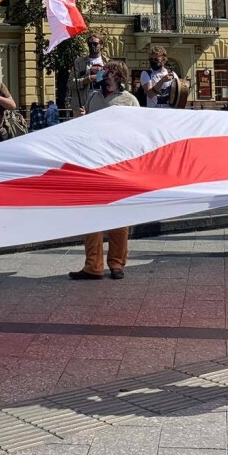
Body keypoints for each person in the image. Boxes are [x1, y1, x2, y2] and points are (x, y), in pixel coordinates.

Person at [71, 60, 137, 280]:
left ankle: (117, 263)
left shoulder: (130, 101)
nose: (101, 74)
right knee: (91, 215)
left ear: (117, 75)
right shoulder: (93, 98)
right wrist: (82, 119)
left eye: (106, 71)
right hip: (94, 163)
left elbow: (139, 134)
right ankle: (93, 266)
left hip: (120, 165)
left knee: (119, 216)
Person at [70, 33, 108, 114]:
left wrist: (101, 74)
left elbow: (111, 82)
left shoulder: (108, 63)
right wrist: (88, 78)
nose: (92, 46)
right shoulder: (79, 62)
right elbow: (71, 84)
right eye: (89, 44)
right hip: (83, 106)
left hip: (102, 105)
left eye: (95, 43)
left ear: (101, 45)